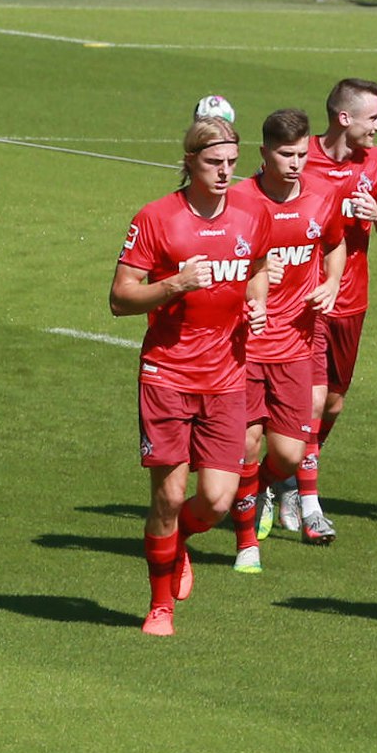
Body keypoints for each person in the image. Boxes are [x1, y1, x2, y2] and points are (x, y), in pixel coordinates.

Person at [110, 116, 272, 636]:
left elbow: (260, 268)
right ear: (188, 162)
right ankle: (160, 606)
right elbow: (120, 298)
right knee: (169, 496)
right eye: (212, 163)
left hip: (226, 375)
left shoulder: (252, 217)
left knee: (219, 501)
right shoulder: (157, 218)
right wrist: (175, 284)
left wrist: (258, 303)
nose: (225, 172)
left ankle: (176, 541)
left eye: (230, 162)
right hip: (168, 373)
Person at [226, 110, 345, 572]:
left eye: (300, 155)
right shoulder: (238, 200)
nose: (295, 164)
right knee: (248, 445)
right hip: (246, 344)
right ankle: (246, 545)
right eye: (285, 154)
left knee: (289, 453)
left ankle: (259, 490)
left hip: (297, 343)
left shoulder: (322, 198)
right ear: (263, 153)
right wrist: (251, 273)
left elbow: (335, 244)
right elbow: (214, 261)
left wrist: (333, 282)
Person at [295, 77, 377, 543]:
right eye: (373, 117)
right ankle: (308, 503)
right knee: (313, 399)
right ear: (345, 118)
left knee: (335, 401)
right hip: (306, 299)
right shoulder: (301, 158)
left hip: (353, 299)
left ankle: (286, 472)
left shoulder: (376, 163)